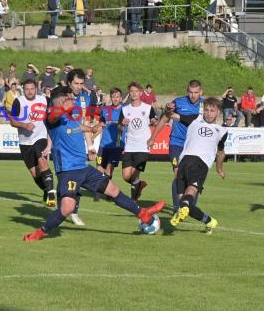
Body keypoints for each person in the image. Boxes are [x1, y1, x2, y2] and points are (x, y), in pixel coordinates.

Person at [23, 86, 165, 241]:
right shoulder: (51, 114)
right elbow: (52, 119)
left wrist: (91, 128)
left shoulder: (70, 114)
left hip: (83, 167)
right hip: (68, 170)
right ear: (61, 100)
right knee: (67, 208)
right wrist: (64, 108)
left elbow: (76, 126)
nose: (72, 101)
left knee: (114, 189)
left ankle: (143, 213)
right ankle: (40, 232)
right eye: (69, 98)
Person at [167, 97, 227, 234]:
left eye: (212, 110)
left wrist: (219, 169)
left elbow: (221, 152)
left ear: (218, 112)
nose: (209, 113)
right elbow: (173, 115)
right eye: (206, 110)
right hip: (184, 161)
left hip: (201, 163)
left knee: (191, 192)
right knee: (184, 203)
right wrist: (168, 110)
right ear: (202, 110)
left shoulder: (222, 131)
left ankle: (183, 210)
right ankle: (210, 221)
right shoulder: (195, 119)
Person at [149, 79, 204, 215]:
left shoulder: (205, 106)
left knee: (193, 179)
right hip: (177, 143)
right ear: (187, 91)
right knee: (178, 174)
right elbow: (165, 118)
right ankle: (176, 208)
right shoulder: (178, 102)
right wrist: (153, 137)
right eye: (190, 92)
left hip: (194, 145)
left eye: (196, 93)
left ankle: (188, 207)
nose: (193, 95)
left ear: (201, 92)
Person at [9, 79, 56, 206]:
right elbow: (12, 121)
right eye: (27, 89)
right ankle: (46, 189)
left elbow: (52, 117)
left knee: (41, 160)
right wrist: (23, 125)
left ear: (36, 88)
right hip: (25, 142)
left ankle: (52, 193)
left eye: (32, 89)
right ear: (23, 90)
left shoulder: (44, 100)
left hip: (40, 137)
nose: (30, 91)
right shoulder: (18, 101)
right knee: (35, 174)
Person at [119, 82, 156, 201]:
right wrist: (122, 124)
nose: (134, 93)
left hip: (143, 146)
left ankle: (133, 202)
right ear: (129, 93)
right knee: (125, 176)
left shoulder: (148, 108)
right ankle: (139, 185)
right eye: (131, 91)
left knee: (135, 175)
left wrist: (154, 121)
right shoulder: (124, 109)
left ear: (141, 93)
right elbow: (119, 127)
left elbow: (154, 121)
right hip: (129, 145)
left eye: (136, 91)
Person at [64, 68, 91, 225]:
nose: (79, 86)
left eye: (81, 83)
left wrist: (90, 145)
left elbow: (85, 123)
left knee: (79, 179)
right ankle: (63, 207)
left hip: (78, 145)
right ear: (69, 83)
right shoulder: (60, 97)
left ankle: (74, 212)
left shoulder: (84, 99)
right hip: (63, 144)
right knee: (65, 179)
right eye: (76, 83)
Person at [95, 87, 125, 189]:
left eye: (117, 97)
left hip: (117, 145)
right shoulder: (105, 109)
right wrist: (100, 125)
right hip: (103, 145)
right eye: (113, 97)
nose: (115, 99)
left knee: (109, 170)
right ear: (111, 98)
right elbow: (101, 121)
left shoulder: (125, 110)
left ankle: (105, 191)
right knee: (99, 169)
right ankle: (106, 189)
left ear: (121, 98)